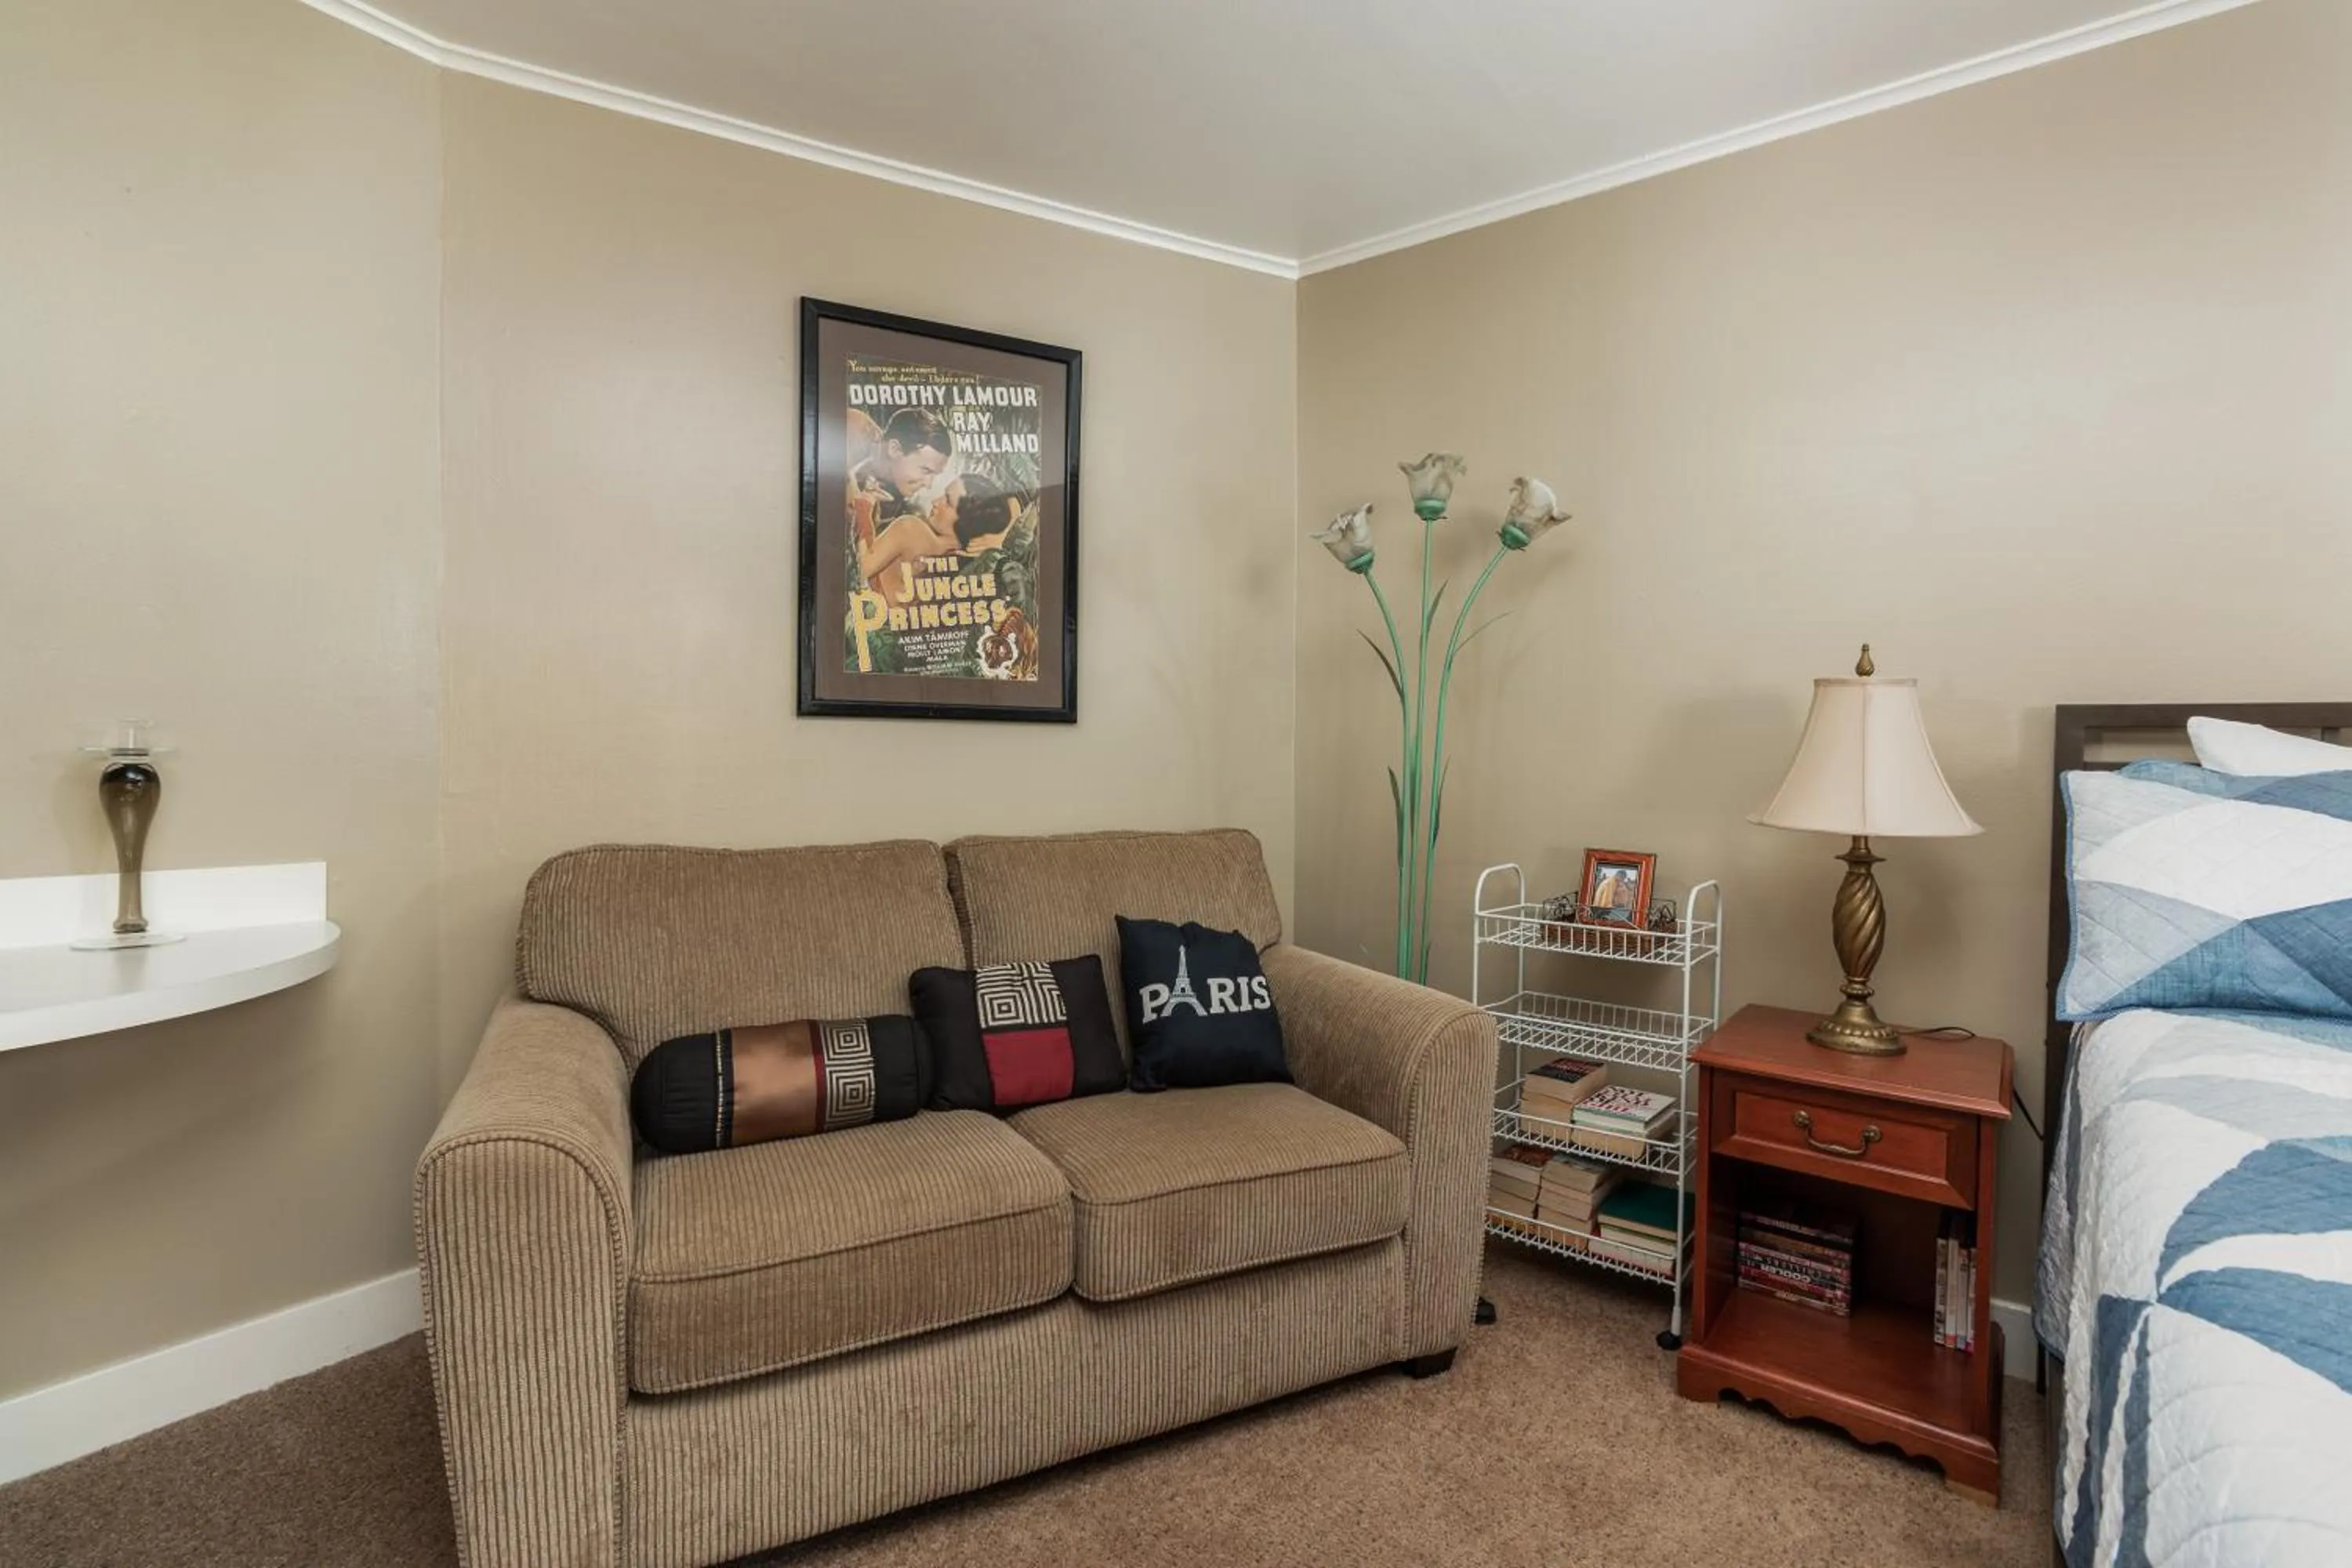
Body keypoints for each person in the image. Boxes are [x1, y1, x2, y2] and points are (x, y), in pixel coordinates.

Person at [855, 473, 1025, 610]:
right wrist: (999, 538)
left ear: (966, 520)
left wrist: (863, 507)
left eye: (948, 502)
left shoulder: (910, 529)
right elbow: (1013, 507)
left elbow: (860, 569)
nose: (936, 502)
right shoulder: (971, 556)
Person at [848, 405, 954, 554]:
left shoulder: (906, 509)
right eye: (925, 470)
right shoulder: (853, 432)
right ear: (895, 449)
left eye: (935, 474)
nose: (928, 484)